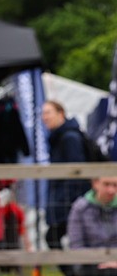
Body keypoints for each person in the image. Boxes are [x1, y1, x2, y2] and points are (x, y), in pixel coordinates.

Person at [43, 100, 93, 261]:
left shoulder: (69, 137)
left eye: (48, 112)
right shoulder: (60, 137)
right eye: (43, 113)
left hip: (70, 200)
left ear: (61, 114)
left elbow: (77, 171)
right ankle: (75, 275)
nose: (44, 117)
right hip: (65, 199)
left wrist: (73, 202)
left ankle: (75, 275)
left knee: (56, 237)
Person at [67, 176, 117, 276]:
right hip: (91, 265)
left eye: (115, 185)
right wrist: (101, 261)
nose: (111, 190)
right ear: (95, 183)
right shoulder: (80, 208)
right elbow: (76, 245)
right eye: (106, 184)